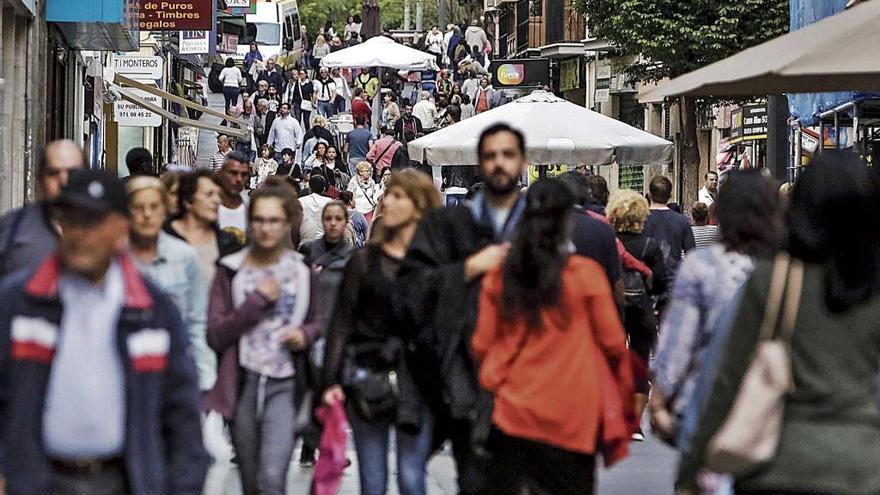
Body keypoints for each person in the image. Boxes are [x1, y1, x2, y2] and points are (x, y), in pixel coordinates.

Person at [677, 153, 880, 495]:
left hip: (776, 465)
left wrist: (692, 467)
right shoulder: (872, 286)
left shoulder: (773, 279)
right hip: (860, 466)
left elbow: (727, 376)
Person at [0, 169, 209, 494]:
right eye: (72, 221)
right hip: (38, 481)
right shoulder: (20, 303)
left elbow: (180, 414)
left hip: (123, 481)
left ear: (120, 228)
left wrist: (183, 484)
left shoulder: (151, 311)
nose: (81, 234)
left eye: (93, 222)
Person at [472, 179, 630, 495]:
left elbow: (480, 344)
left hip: (512, 409)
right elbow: (614, 342)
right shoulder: (586, 275)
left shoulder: (501, 276)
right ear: (566, 222)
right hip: (573, 413)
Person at [398, 124, 533, 494]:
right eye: (490, 156)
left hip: (530, 380)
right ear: (479, 164)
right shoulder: (447, 225)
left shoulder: (542, 226)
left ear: (521, 161)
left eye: (507, 154)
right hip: (466, 382)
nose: (499, 164)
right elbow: (412, 290)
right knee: (475, 482)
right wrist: (470, 268)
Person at [322, 169, 441, 495]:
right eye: (387, 194)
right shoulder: (364, 261)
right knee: (372, 482)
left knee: (411, 478)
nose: (387, 201)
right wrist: (330, 380)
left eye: (398, 196)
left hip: (418, 381)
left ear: (419, 206)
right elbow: (342, 321)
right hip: (367, 377)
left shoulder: (435, 263)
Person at [650, 171, 783, 453]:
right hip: (773, 410)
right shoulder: (790, 269)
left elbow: (679, 342)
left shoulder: (703, 266)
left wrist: (660, 400)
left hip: (706, 404)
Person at [206, 186, 311, 495]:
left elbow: (316, 322)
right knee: (252, 480)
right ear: (250, 223)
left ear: (287, 223)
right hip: (243, 381)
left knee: (272, 477)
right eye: (260, 220)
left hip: (286, 381)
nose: (267, 228)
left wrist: (304, 335)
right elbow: (217, 333)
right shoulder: (230, 271)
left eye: (275, 220)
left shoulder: (302, 271)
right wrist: (256, 302)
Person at [605, 189, 670, 441]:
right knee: (641, 364)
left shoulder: (608, 242)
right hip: (642, 308)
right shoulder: (649, 245)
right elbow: (661, 281)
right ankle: (634, 424)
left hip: (613, 307)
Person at [0, 140, 84, 277]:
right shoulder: (13, 228)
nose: (63, 181)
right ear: (40, 178)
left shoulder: (107, 229)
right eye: (53, 173)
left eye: (72, 172)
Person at [164, 170, 243, 289]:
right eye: (209, 194)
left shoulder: (229, 243)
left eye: (219, 195)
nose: (217, 201)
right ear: (188, 200)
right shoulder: (161, 236)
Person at [643, 175, 696, 277]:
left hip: (646, 279)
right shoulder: (682, 221)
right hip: (673, 278)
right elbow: (691, 255)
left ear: (649, 195)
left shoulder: (640, 220)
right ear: (669, 196)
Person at [216, 152, 251, 239]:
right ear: (221, 173)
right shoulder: (207, 208)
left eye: (244, 174)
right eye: (233, 173)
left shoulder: (252, 210)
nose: (239, 179)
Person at [299, 175, 334, 244]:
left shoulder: (300, 201)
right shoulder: (329, 202)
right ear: (324, 188)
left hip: (305, 243)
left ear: (310, 187)